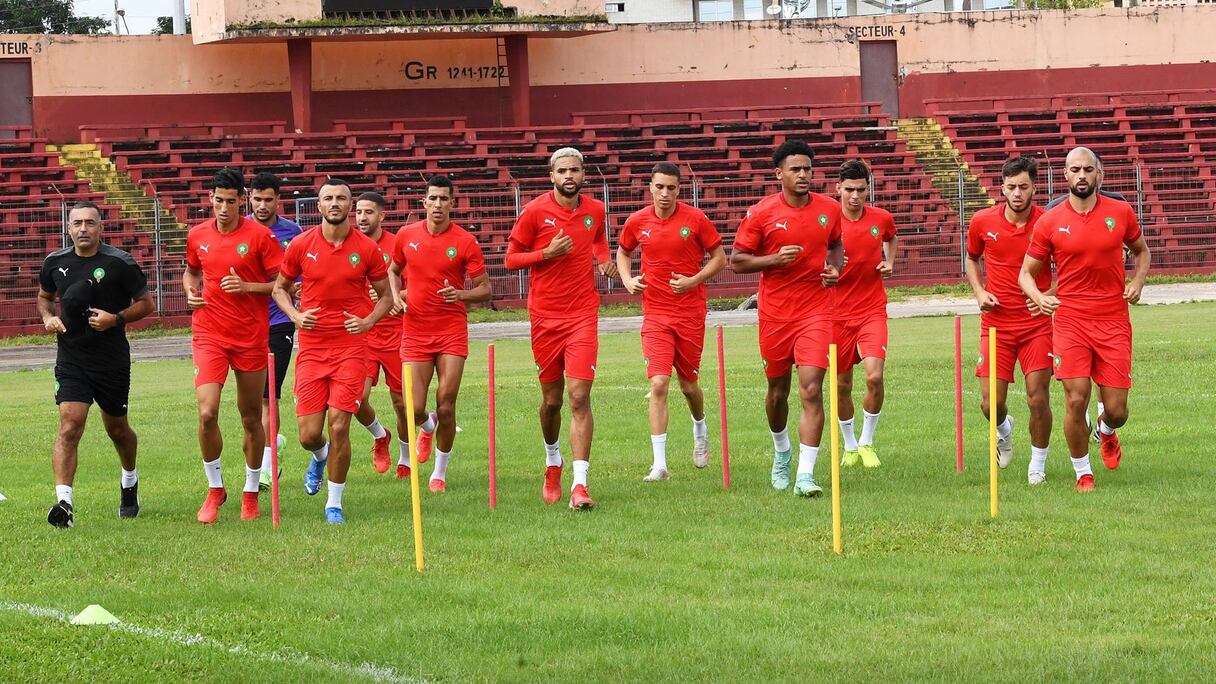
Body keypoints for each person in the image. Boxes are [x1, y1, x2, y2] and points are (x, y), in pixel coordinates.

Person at [1019, 147, 1151, 492]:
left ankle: (1106, 431)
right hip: (1070, 322)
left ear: (1099, 175)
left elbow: (1142, 251)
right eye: (1075, 169)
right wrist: (1039, 297)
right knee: (1076, 399)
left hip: (1113, 321)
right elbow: (1026, 274)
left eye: (1088, 170)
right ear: (1065, 175)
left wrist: (1137, 282)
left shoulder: (1120, 212)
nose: (1081, 175)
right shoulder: (1049, 221)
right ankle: (1083, 473)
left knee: (1118, 410)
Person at [271, 179, 393, 524]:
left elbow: (387, 296)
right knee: (309, 435)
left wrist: (368, 322)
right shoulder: (301, 245)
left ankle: (334, 504)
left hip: (351, 348)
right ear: (319, 205)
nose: (335, 203)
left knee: (339, 425)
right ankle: (320, 456)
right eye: (328, 198)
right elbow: (279, 289)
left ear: (350, 205)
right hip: (312, 348)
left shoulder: (366, 249)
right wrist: (295, 316)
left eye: (341, 198)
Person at [505, 147, 617, 510]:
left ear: (583, 173)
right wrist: (546, 253)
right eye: (562, 171)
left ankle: (580, 485)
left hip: (583, 315)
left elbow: (598, 239)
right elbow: (510, 259)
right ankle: (553, 460)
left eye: (575, 170)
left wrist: (604, 260)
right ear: (551, 176)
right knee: (552, 402)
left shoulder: (595, 210)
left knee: (579, 397)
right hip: (544, 318)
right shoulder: (534, 211)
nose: (569, 176)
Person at [730, 140, 843, 497]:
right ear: (779, 173)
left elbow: (836, 245)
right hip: (776, 315)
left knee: (811, 388)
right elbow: (737, 260)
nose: (803, 174)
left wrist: (835, 269)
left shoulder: (829, 209)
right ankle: (782, 453)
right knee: (777, 393)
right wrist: (774, 260)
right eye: (795, 169)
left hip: (816, 311)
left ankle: (805, 475)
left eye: (807, 168)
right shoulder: (761, 213)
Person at [37, 201, 154, 528]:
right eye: (77, 223)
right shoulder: (54, 262)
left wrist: (115, 319)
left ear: (101, 227)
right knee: (69, 425)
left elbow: (146, 304)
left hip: (111, 361)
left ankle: (129, 481)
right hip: (71, 359)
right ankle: (64, 504)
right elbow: (44, 297)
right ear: (68, 228)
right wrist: (48, 318)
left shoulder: (120, 263)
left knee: (117, 430)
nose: (83, 229)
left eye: (90, 222)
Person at [184, 168, 282, 524]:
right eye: (218, 201)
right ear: (210, 199)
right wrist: (190, 290)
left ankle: (251, 490)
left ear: (242, 200)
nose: (224, 209)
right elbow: (192, 270)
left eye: (231, 201)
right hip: (209, 334)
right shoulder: (197, 235)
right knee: (207, 412)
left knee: (251, 417)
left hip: (250, 337)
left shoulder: (261, 237)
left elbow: (283, 285)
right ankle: (215, 489)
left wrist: (248, 287)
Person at [616, 162, 725, 482]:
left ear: (679, 189)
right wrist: (627, 280)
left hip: (690, 314)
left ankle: (700, 427)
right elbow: (623, 252)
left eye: (671, 188)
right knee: (659, 383)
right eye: (660, 187)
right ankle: (660, 465)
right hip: (656, 314)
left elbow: (720, 258)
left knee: (689, 385)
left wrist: (693, 280)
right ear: (650, 187)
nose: (665, 193)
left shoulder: (696, 219)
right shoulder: (637, 221)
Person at [388, 175, 491, 492]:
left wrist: (460, 294)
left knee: (446, 403)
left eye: (443, 199)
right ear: (424, 202)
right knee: (413, 408)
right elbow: (392, 270)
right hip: (415, 330)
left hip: (450, 332)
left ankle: (439, 473)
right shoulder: (406, 235)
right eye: (432, 198)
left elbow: (485, 290)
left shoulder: (465, 241)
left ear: (452, 203)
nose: (437, 204)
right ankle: (427, 425)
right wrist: (394, 297)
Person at [965, 156, 1053, 484]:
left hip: (1036, 324)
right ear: (1002, 187)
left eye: (1024, 187)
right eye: (1012, 187)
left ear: (1034, 188)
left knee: (1038, 397)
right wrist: (979, 291)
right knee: (991, 404)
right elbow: (972, 258)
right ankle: (1004, 429)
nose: (1017, 193)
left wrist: (1047, 295)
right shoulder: (982, 221)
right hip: (996, 324)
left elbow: (1068, 266)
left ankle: (1037, 466)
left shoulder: (1048, 222)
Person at [831, 159, 897, 470]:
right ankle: (850, 445)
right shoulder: (827, 221)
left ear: (868, 189)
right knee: (842, 385)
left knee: (874, 376)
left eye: (860, 190)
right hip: (835, 314)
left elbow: (891, 237)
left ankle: (867, 441)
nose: (855, 196)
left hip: (872, 310)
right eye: (849, 190)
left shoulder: (881, 218)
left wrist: (889, 261)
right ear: (838, 189)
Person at [248, 171, 302, 491]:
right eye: (257, 199)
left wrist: (299, 295)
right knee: (252, 401)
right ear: (249, 198)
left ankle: (267, 468)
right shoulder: (239, 230)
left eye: (268, 199)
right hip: (244, 325)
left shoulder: (292, 233)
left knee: (270, 395)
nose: (263, 205)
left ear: (278, 200)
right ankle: (273, 442)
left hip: (279, 322)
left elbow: (299, 279)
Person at [351, 191, 406, 476]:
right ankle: (380, 435)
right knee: (356, 400)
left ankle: (405, 459)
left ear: (382, 215)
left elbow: (417, 285)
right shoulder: (349, 244)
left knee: (402, 403)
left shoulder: (397, 245)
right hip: (363, 336)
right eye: (359, 212)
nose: (362, 217)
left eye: (369, 212)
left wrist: (396, 297)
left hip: (397, 334)